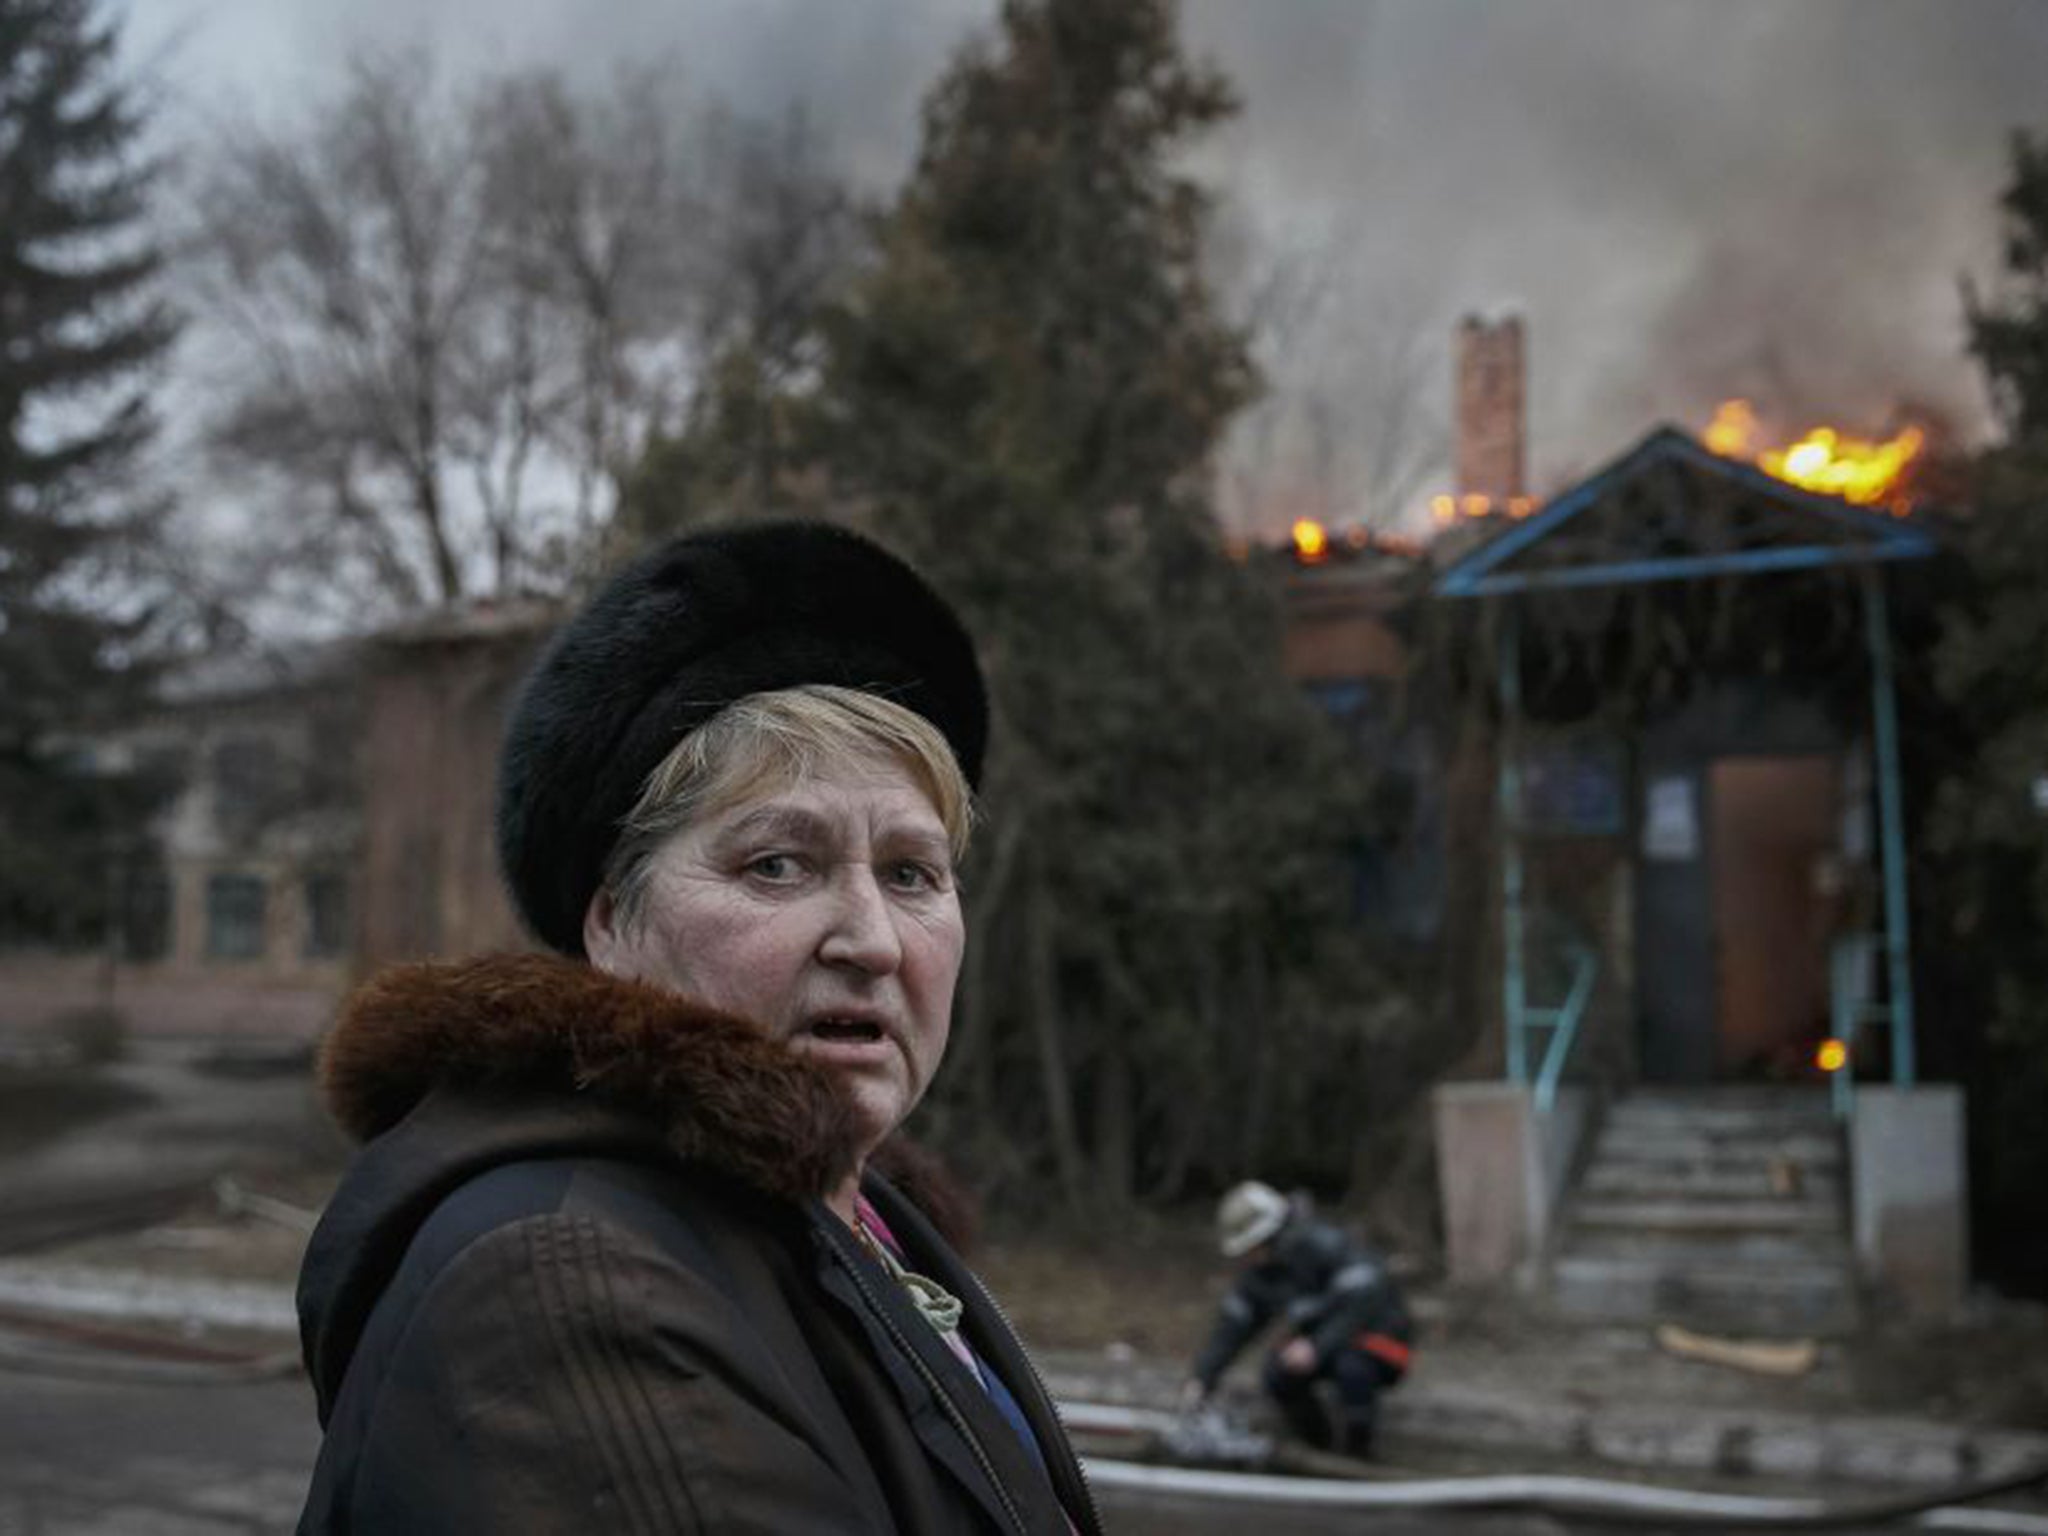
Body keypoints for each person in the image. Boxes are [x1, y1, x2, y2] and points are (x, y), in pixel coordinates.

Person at [296, 522, 1097, 1534]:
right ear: (612, 923)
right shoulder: (563, 1283)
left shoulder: (861, 1223)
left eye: (910, 874)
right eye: (776, 864)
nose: (874, 942)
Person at [1179, 1180, 1413, 1460]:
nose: (1249, 1259)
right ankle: (1317, 1449)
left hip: (1377, 1339)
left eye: (1253, 1249)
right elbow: (1234, 1326)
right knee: (1278, 1373)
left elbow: (1365, 1299)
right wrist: (1202, 1378)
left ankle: (1359, 1453)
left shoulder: (1327, 1246)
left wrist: (1318, 1345)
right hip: (1320, 1346)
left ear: (1271, 1237)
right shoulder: (1260, 1276)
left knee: (1352, 1368)